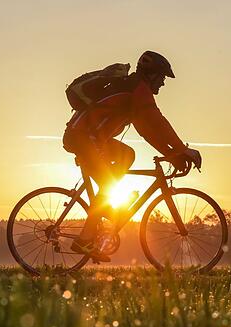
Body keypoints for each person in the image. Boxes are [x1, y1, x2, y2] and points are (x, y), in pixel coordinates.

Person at [62, 51, 202, 260]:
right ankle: (86, 239)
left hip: (88, 138)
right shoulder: (139, 90)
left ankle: (103, 214)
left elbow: (147, 131)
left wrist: (172, 154)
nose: (163, 84)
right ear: (152, 74)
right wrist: (182, 150)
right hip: (83, 138)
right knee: (108, 185)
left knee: (127, 155)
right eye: (162, 77)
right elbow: (158, 122)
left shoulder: (133, 88)